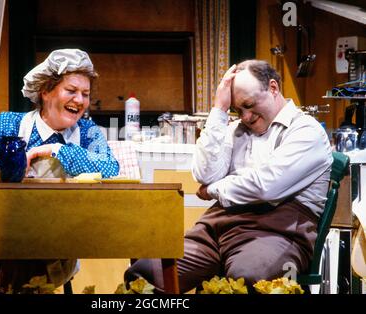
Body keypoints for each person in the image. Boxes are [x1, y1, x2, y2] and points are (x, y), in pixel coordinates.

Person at [125, 60, 333, 293]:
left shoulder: (305, 131)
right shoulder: (236, 130)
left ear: (273, 88)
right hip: (217, 228)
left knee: (246, 278)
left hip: (277, 232)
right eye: (237, 109)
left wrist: (214, 189)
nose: (245, 116)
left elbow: (266, 185)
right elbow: (204, 173)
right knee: (145, 273)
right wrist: (219, 111)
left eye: (249, 104)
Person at [0, 48, 119, 292]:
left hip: (57, 253)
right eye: (71, 91)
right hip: (0, 246)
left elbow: (110, 168)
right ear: (45, 91)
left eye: (85, 93)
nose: (80, 100)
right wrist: (6, 170)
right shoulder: (9, 124)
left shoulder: (87, 131)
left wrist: (54, 150)